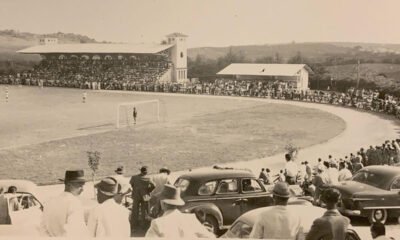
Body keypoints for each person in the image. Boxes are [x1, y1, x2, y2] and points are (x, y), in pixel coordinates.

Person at [145, 184, 214, 238]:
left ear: (163, 203)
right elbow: (210, 237)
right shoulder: (191, 219)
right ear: (177, 203)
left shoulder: (157, 223)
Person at [40, 170, 89, 237]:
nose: (82, 189)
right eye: (79, 185)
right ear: (68, 184)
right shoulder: (74, 203)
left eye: (83, 185)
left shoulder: (50, 202)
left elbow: (43, 229)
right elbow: (75, 232)